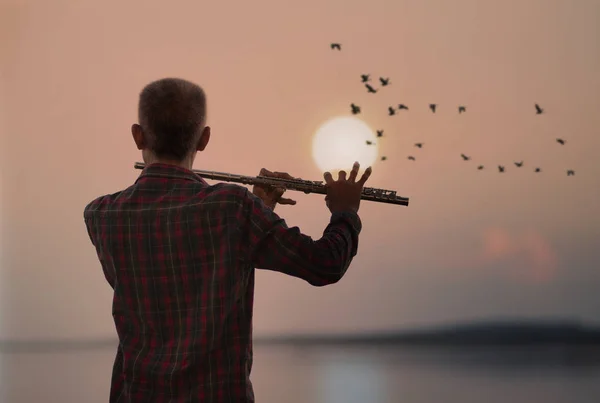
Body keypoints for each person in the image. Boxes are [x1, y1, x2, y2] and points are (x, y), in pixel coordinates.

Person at [83, 77, 372, 403]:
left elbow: (177, 261)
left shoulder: (101, 215)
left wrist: (258, 207)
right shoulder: (233, 209)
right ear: (204, 139)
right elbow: (326, 263)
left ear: (138, 135)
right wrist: (345, 210)